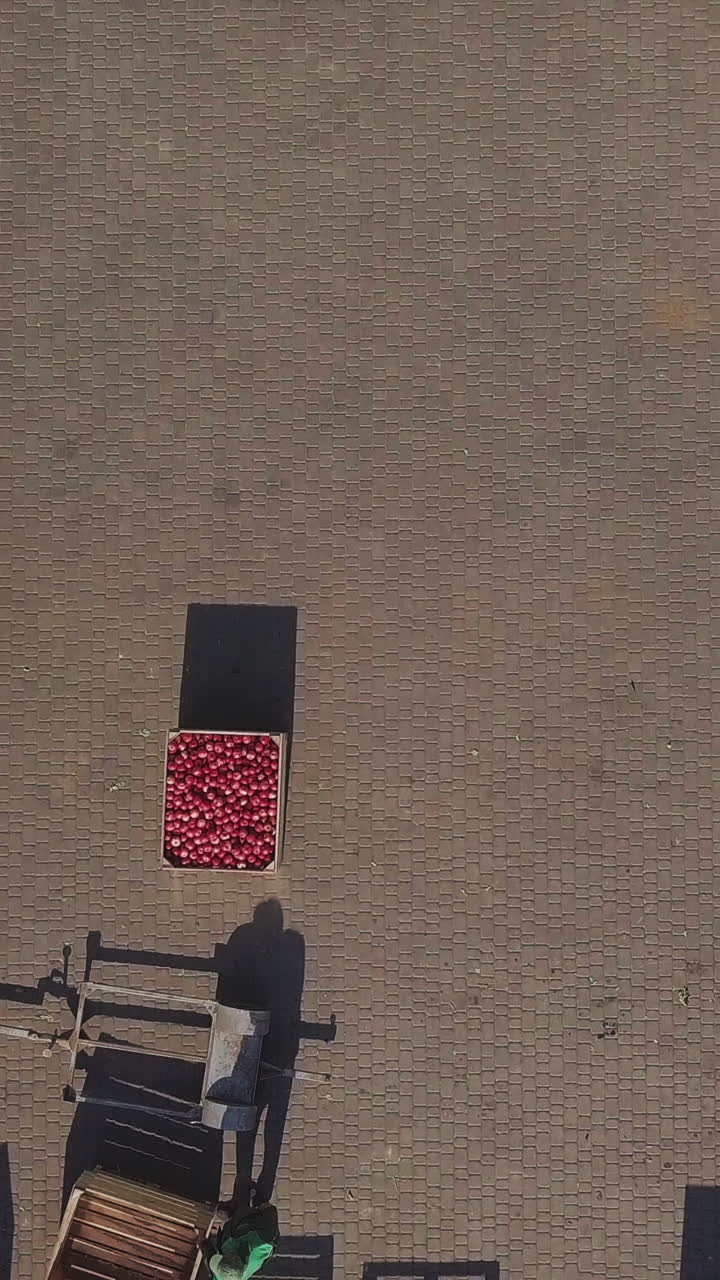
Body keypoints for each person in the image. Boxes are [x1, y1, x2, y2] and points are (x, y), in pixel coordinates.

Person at [206, 1201, 280, 1280]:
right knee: (240, 1229)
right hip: (256, 1226)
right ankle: (241, 1210)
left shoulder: (223, 1275)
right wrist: (263, 1206)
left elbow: (210, 1257)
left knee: (227, 1239)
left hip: (236, 1236)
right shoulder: (261, 1245)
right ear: (234, 1257)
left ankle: (231, 1215)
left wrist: (203, 1243)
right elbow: (271, 1218)